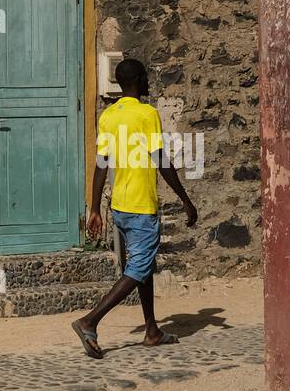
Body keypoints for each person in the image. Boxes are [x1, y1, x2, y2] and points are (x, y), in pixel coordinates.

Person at [72, 59, 197, 359]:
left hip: (119, 206)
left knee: (144, 267)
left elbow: (102, 163)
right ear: (139, 80)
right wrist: (185, 199)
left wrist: (95, 209)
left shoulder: (109, 116)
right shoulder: (147, 114)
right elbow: (160, 159)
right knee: (139, 268)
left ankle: (152, 329)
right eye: (146, 76)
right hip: (141, 205)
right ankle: (89, 321)